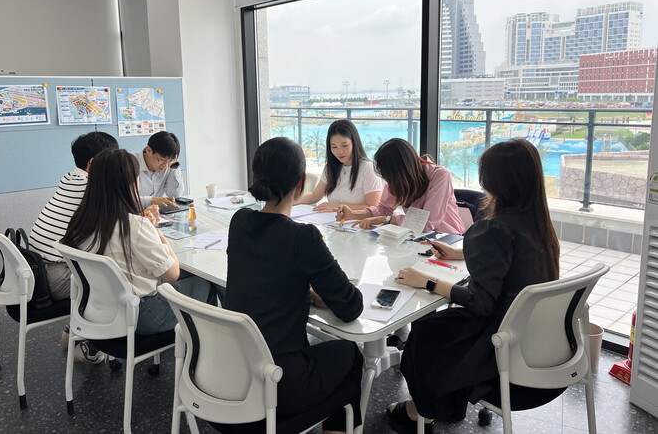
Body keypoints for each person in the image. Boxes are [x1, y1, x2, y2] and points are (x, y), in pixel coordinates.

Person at [386, 138, 561, 431]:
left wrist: (428, 281)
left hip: (500, 343)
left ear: (492, 181)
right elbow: (514, 259)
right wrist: (461, 253)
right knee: (438, 328)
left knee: (425, 332)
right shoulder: (539, 224)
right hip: (537, 338)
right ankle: (444, 405)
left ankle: (423, 411)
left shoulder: (492, 228)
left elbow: (480, 301)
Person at [224, 137, 364, 434]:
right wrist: (318, 293)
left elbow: (267, 275)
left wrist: (306, 292)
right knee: (350, 355)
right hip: (277, 383)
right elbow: (351, 307)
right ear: (301, 182)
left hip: (229, 374)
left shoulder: (240, 221)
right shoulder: (302, 237)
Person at [60, 148, 215, 335]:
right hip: (142, 315)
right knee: (205, 283)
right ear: (131, 183)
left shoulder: (82, 221)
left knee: (189, 275)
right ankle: (202, 344)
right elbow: (173, 274)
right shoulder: (133, 225)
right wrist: (156, 232)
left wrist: (143, 224)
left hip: (97, 309)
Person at [29, 131, 128, 363]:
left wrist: (149, 201)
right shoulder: (89, 187)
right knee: (114, 283)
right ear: (94, 163)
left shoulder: (72, 179)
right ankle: (91, 343)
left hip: (39, 269)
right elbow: (123, 215)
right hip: (55, 276)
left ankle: (75, 328)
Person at [344, 138, 465, 235]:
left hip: (446, 237)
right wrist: (353, 214)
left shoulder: (440, 175)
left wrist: (385, 220)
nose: (389, 181)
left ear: (400, 170)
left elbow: (426, 222)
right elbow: (384, 208)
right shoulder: (398, 177)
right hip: (414, 235)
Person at [295, 119, 382, 212]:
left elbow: (373, 207)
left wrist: (337, 206)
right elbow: (315, 195)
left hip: (357, 220)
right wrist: (290, 201)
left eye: (344, 146)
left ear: (354, 143)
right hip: (332, 219)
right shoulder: (331, 167)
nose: (339, 151)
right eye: (334, 147)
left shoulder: (368, 168)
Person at [133, 131, 185, 209]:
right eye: (161, 160)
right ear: (148, 150)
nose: (166, 165)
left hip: (158, 213)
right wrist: (151, 200)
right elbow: (123, 199)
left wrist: (175, 166)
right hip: (134, 213)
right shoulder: (129, 162)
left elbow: (175, 195)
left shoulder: (170, 165)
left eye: (170, 160)